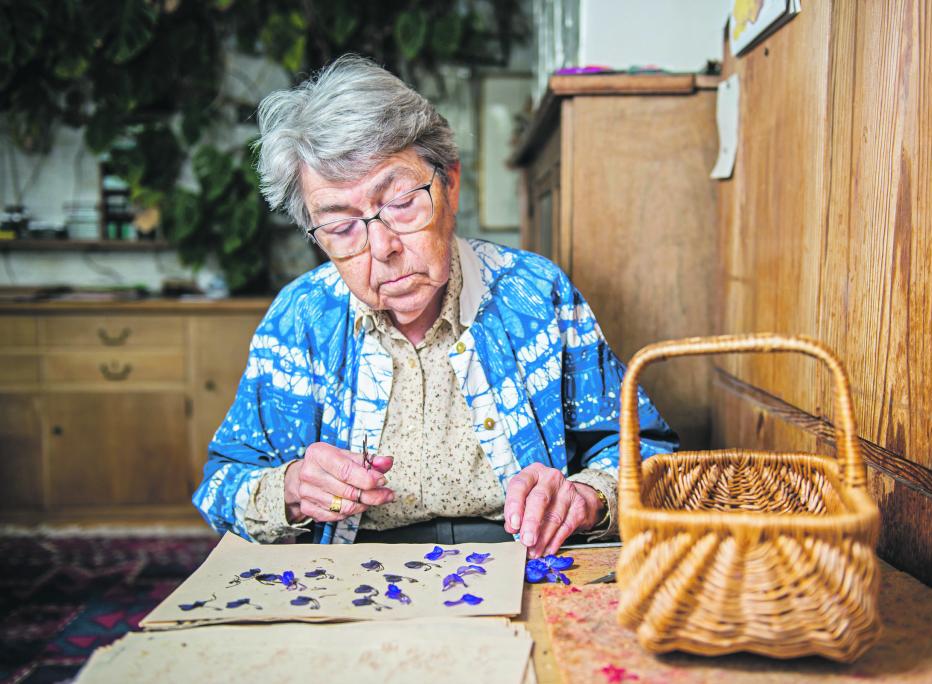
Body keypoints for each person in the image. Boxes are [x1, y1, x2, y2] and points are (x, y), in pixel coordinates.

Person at [192, 55, 677, 558]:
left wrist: (586, 497)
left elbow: (650, 456)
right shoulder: (300, 319)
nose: (382, 248)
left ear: (449, 184)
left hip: (521, 559)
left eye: (401, 204)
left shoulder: (536, 294)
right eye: (341, 227)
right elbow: (220, 486)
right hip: (353, 569)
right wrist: (292, 490)